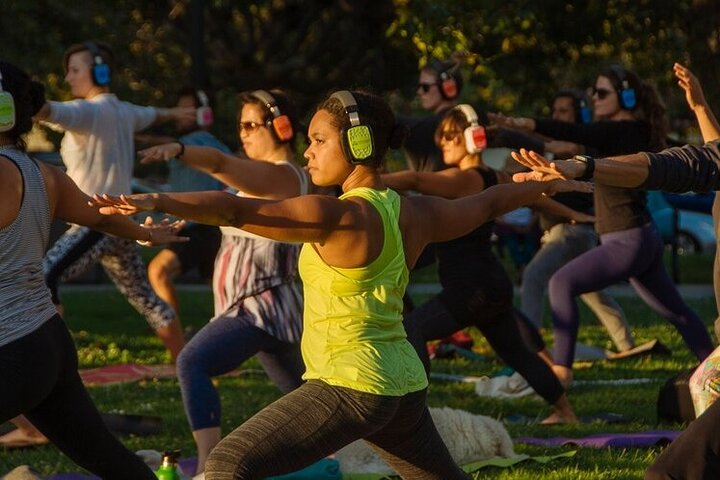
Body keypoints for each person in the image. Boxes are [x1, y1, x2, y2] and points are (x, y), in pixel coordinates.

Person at [92, 90, 586, 479]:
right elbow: (487, 203)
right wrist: (545, 182)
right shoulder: (413, 211)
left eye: (318, 140)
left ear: (359, 145)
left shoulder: (340, 217)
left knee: (226, 465)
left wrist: (158, 198)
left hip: (351, 385)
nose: (308, 152)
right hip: (402, 384)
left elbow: (238, 208)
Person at [510, 63, 720, 480]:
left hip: (629, 241)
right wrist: (698, 107)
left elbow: (667, 166)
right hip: (632, 241)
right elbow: (705, 157)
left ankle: (562, 374)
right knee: (691, 350)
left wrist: (581, 164)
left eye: (602, 93)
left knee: (560, 281)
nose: (594, 101)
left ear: (625, 98)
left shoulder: (622, 131)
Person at [2, 40, 196, 449]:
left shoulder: (88, 112)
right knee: (145, 298)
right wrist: (180, 114)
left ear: (100, 72)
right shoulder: (125, 111)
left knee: (47, 273)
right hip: (119, 219)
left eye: (75, 69)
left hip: (95, 219)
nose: (69, 77)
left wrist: (20, 97)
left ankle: (51, 371)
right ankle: (187, 366)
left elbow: (50, 111)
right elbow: (154, 113)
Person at [138, 89, 307, 475]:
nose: (244, 133)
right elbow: (218, 205)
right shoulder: (255, 183)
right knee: (307, 399)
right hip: (264, 311)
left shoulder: (286, 177)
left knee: (192, 361)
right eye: (240, 126)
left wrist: (179, 150)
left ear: (281, 127)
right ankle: (359, 440)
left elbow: (217, 165)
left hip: (261, 306)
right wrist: (168, 220)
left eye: (251, 125)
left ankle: (211, 468)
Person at [382, 104, 582, 424]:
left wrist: (370, 181)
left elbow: (418, 179)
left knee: (412, 328)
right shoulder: (494, 176)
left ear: (472, 139)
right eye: (441, 138)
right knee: (517, 353)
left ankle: (414, 414)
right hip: (490, 284)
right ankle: (566, 413)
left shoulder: (466, 179)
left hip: (471, 288)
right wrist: (577, 214)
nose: (442, 143)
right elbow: (532, 196)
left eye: (449, 137)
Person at [519, 89, 634, 354]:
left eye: (564, 111)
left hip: (571, 233)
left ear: (580, 114)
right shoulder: (553, 148)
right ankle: (627, 345)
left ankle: (529, 350)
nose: (557, 116)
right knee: (590, 290)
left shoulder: (579, 150)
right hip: (570, 233)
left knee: (534, 277)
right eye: (555, 111)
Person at [138, 87, 230, 336]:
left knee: (158, 271)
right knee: (223, 288)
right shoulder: (208, 143)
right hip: (196, 226)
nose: (180, 115)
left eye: (187, 110)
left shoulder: (200, 141)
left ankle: (176, 334)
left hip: (201, 227)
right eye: (178, 110)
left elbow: (169, 145)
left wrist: (135, 137)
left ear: (205, 115)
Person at [400, 58, 463, 173]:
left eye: (425, 87)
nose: (419, 92)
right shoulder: (473, 120)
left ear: (447, 87)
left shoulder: (429, 126)